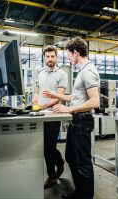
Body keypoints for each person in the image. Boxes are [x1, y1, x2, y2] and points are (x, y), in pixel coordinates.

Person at [43, 37, 100, 199]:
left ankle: (85, 196)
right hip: (77, 121)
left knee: (82, 161)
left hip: (83, 120)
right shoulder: (82, 71)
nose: (68, 58)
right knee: (71, 157)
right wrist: (56, 95)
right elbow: (76, 98)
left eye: (68, 54)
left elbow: (94, 102)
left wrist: (68, 109)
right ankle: (79, 192)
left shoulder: (88, 71)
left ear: (75, 53)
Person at [30, 45, 68, 189]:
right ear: (44, 58)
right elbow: (37, 93)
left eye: (53, 56)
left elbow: (59, 98)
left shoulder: (62, 74)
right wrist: (33, 102)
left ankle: (53, 174)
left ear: (56, 57)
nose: (50, 59)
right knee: (45, 147)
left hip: (53, 115)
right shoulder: (40, 73)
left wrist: (43, 106)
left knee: (48, 148)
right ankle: (57, 166)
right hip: (39, 115)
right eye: (48, 56)